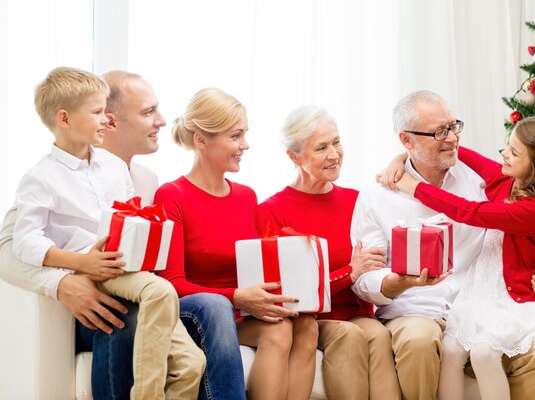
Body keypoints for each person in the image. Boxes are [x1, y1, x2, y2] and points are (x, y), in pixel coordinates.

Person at [0, 70, 246, 400]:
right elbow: (12, 245)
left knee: (202, 325)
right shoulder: (43, 178)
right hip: (97, 292)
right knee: (128, 312)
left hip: (135, 282)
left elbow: (137, 228)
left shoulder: (140, 177)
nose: (162, 121)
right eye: (148, 112)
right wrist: (64, 280)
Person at [351, 90, 535, 400]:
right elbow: (364, 278)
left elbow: (516, 241)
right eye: (441, 131)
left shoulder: (483, 181)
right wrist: (394, 283)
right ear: (406, 139)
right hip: (419, 310)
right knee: (419, 340)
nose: (453, 138)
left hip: (483, 305)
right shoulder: (377, 195)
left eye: (454, 126)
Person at [154, 88, 319, 400]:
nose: (245, 145)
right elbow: (172, 284)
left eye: (244, 134)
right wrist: (237, 298)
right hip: (203, 317)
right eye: (235, 136)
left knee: (307, 325)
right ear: (201, 141)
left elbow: (255, 266)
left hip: (244, 312)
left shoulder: (246, 196)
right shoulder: (172, 195)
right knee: (279, 331)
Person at [255, 105, 411, 400]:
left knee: (378, 334)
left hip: (356, 310)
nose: (334, 154)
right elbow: (289, 294)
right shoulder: (272, 211)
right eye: (321, 147)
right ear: (294, 157)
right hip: (308, 318)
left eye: (337, 142)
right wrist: (348, 272)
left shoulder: (357, 201)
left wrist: (400, 158)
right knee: (351, 335)